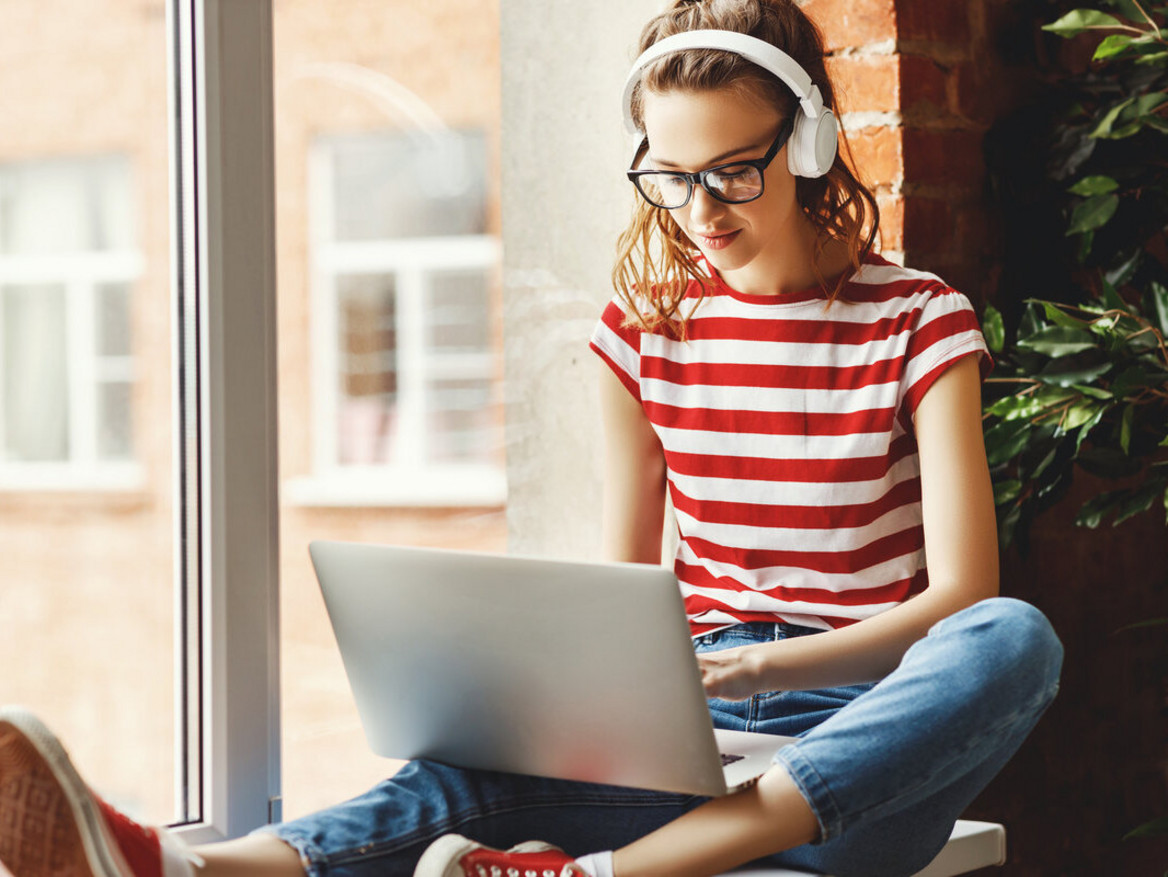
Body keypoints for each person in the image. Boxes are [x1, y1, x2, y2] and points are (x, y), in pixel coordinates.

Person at [0, 1, 1064, 875]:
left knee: (1013, 637)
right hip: (688, 740)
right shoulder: (640, 336)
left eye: (733, 171)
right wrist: (592, 692)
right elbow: (618, 593)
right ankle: (188, 871)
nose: (699, 209)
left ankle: (599, 875)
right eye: (669, 175)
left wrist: (753, 669)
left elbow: (960, 596)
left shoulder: (917, 319)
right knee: (459, 776)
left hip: (863, 752)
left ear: (811, 141)